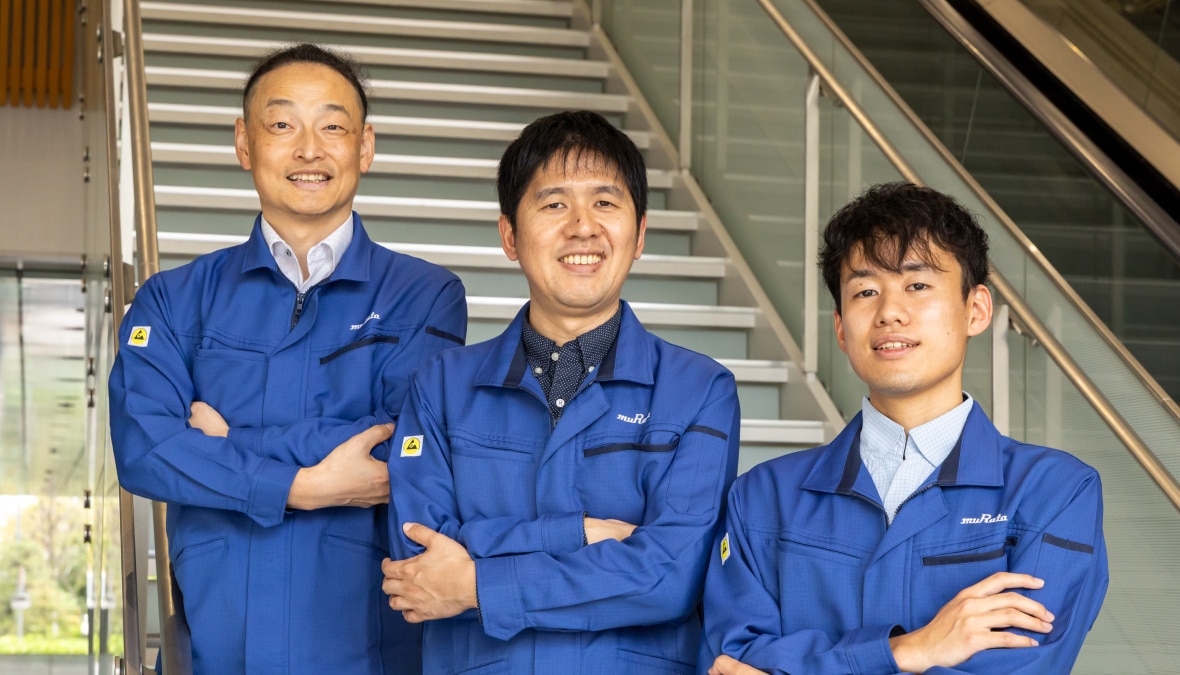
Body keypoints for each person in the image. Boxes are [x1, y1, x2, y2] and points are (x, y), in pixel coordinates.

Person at [109, 44, 467, 673]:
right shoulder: (172, 299)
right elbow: (144, 447)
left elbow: (403, 447)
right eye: (282, 126)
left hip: (363, 637)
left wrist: (222, 448)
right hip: (218, 637)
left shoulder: (424, 294)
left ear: (366, 147)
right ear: (245, 144)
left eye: (333, 126)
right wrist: (306, 484)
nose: (309, 149)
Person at [381, 110, 741, 674]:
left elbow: (670, 576)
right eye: (554, 204)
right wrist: (577, 534)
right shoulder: (442, 386)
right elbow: (417, 561)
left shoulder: (699, 390)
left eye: (605, 202)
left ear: (640, 233)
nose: (582, 226)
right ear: (509, 236)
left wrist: (476, 583)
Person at [700, 182, 1107, 674]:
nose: (890, 312)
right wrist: (910, 651)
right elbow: (731, 661)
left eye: (917, 285)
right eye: (866, 291)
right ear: (841, 329)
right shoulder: (763, 498)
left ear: (976, 309)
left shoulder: (1053, 493)